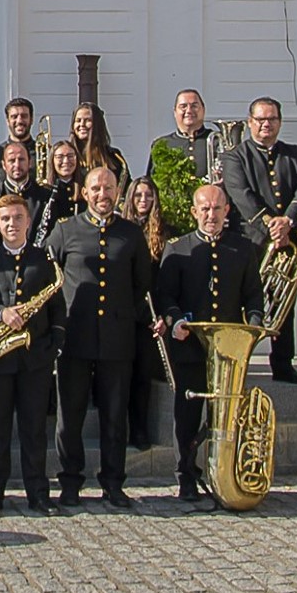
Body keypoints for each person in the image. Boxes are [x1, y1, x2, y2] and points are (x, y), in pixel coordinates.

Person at [43, 167, 151, 509]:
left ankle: (113, 482)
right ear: (84, 193)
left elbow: (141, 285)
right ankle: (70, 481)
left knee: (115, 415)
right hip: (74, 338)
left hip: (117, 340)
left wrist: (123, 316)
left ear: (118, 192)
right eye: (95, 188)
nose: (102, 194)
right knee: (70, 415)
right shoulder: (65, 231)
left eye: (108, 188)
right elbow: (49, 278)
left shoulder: (131, 234)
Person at [153, 185, 264, 501]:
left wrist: (253, 327)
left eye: (217, 208)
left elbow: (253, 295)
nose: (211, 215)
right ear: (194, 212)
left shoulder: (242, 249)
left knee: (225, 418)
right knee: (187, 417)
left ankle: (223, 473)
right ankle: (186, 476)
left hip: (228, 352)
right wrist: (175, 320)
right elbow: (166, 296)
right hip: (190, 348)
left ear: (227, 210)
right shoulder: (178, 249)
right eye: (204, 209)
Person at [0, 194, 66, 516]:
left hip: (34, 359)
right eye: (6, 219)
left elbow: (58, 311)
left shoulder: (44, 261)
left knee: (34, 429)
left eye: (17, 218)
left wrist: (53, 346)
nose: (12, 224)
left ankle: (38, 493)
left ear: (28, 221)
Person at [219, 96, 297, 383]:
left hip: (288, 240)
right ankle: (238, 362)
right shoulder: (235, 156)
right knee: (240, 301)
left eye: (271, 119)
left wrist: (289, 219)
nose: (266, 125)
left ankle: (283, 365)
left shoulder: (295, 154)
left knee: (284, 303)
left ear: (280, 122)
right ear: (249, 123)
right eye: (260, 119)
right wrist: (269, 223)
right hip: (249, 241)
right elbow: (239, 192)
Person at [123, 175, 170, 449]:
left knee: (142, 375)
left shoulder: (165, 233)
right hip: (124, 311)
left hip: (149, 315)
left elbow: (166, 278)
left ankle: (139, 429)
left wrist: (162, 314)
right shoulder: (121, 228)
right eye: (138, 195)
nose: (143, 201)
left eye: (148, 195)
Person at [147, 89, 216, 179]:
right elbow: (152, 183)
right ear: (175, 112)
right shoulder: (161, 144)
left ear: (203, 110)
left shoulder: (216, 141)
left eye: (194, 106)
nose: (189, 111)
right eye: (183, 106)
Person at [0, 142, 49, 226]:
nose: (17, 165)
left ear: (30, 163)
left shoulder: (45, 195)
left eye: (21, 159)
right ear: (4, 165)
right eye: (11, 160)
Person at [0, 97, 37, 179]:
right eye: (14, 116)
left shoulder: (45, 154)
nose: (19, 121)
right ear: (7, 121)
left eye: (24, 116)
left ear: (31, 120)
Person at [70, 102, 127, 181]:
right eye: (78, 120)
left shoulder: (114, 156)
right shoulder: (67, 156)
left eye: (88, 120)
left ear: (98, 124)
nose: (82, 124)